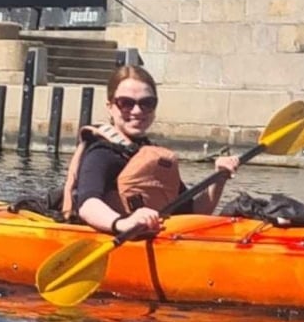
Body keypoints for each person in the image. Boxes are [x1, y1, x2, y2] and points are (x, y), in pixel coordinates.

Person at [62, 65, 238, 237]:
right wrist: (122, 224)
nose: (137, 111)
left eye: (147, 103)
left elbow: (193, 211)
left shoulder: (152, 156)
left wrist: (219, 178)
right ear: (110, 107)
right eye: (126, 103)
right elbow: (87, 205)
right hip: (111, 236)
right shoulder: (101, 153)